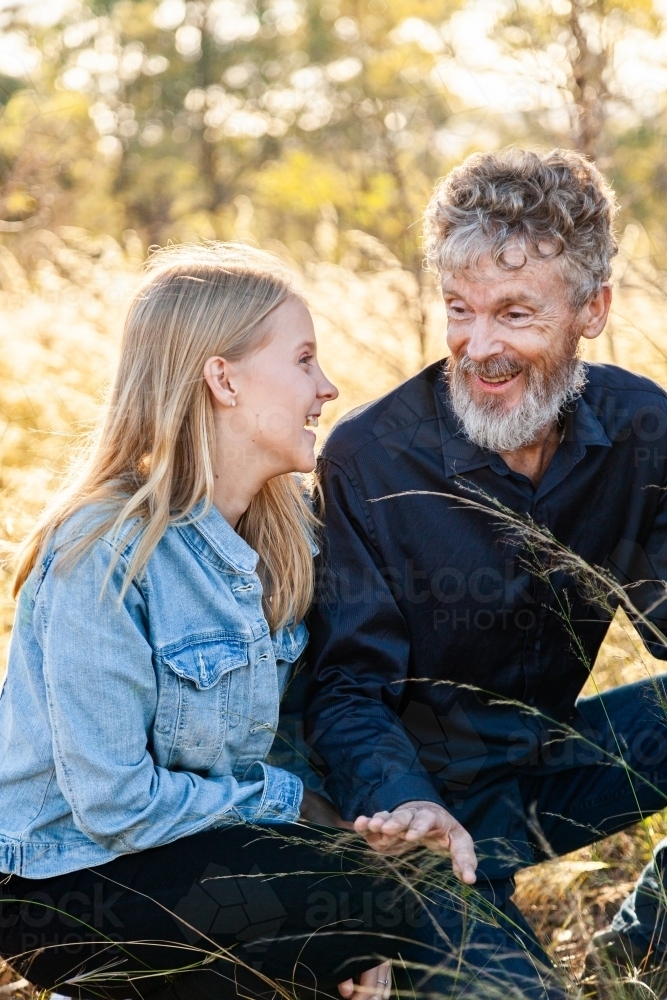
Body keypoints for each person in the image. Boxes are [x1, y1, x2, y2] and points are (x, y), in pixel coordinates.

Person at [0, 243, 503, 1000]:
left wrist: (349, 865)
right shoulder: (105, 552)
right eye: (303, 359)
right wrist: (302, 824)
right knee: (363, 903)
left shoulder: (280, 538)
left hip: (184, 857)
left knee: (386, 891)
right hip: (61, 880)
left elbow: (279, 735)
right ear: (221, 377)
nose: (327, 387)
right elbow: (111, 801)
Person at [304, 147, 667, 985]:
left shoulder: (644, 427)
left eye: (513, 313)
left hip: (550, 765)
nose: (478, 346)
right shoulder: (369, 458)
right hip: (428, 819)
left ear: (593, 308)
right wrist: (406, 802)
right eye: (458, 310)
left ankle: (641, 946)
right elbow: (346, 688)